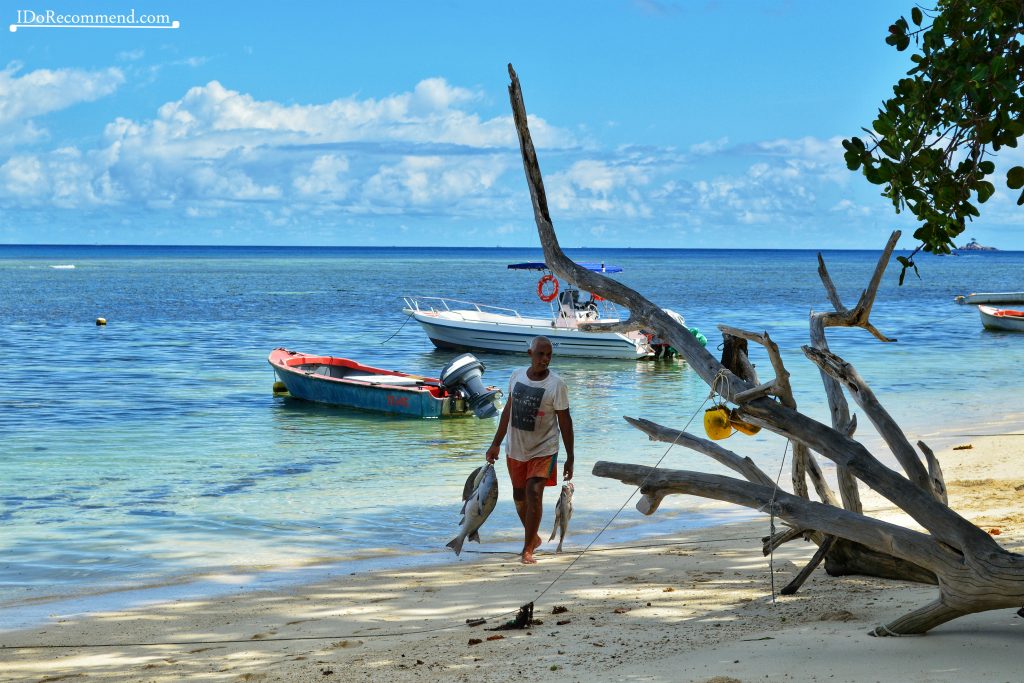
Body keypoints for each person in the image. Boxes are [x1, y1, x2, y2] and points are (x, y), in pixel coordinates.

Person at [485, 336, 574, 564]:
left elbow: (565, 421)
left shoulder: (557, 385)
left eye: (549, 355)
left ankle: (527, 550)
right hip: (516, 448)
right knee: (519, 496)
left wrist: (570, 456)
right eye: (540, 354)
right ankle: (532, 538)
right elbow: (507, 411)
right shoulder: (516, 376)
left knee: (534, 493)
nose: (545, 359)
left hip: (544, 448)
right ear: (529, 354)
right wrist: (496, 443)